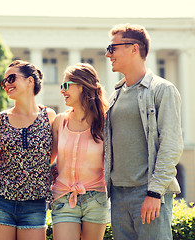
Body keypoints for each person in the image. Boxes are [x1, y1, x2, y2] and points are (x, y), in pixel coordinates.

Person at [104, 23, 183, 240]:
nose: (107, 54)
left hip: (147, 192)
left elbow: (171, 144)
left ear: (134, 48)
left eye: (112, 48)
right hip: (118, 195)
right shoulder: (115, 96)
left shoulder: (162, 90)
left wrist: (154, 192)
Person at [0, 60, 56, 240]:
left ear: (30, 81)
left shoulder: (50, 117)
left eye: (12, 78)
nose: (7, 84)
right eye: (4, 81)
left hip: (35, 202)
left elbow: (53, 155)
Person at [50, 63, 110, 240]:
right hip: (63, 197)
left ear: (82, 86)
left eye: (66, 85)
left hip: (96, 198)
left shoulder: (105, 122)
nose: (62, 90)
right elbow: (47, 159)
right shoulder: (60, 122)